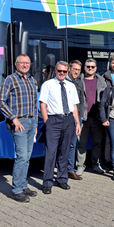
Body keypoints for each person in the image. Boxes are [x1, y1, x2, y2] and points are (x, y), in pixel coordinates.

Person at [0, 55, 38, 203]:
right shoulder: (10, 79)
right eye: (22, 63)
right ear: (16, 64)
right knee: (21, 157)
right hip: (19, 123)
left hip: (31, 122)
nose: (25, 65)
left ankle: (23, 185)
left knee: (27, 157)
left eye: (27, 63)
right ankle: (16, 190)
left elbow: (35, 104)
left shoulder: (32, 80)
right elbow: (0, 101)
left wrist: (36, 123)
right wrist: (13, 118)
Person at [39, 61, 81, 194]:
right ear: (55, 71)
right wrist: (47, 122)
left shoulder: (71, 86)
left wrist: (77, 122)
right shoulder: (48, 84)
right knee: (51, 152)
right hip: (54, 120)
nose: (61, 73)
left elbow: (74, 105)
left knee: (65, 151)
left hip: (68, 120)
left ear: (68, 71)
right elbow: (42, 104)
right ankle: (47, 182)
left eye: (64, 71)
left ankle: (62, 179)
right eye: (59, 71)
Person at [76, 59, 107, 177]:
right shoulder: (79, 81)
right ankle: (80, 166)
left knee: (97, 143)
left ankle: (96, 165)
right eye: (88, 66)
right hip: (82, 117)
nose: (90, 68)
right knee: (81, 143)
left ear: (96, 68)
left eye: (92, 67)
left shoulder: (102, 81)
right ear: (84, 67)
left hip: (97, 117)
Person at [65, 60, 85, 180]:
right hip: (64, 118)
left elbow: (81, 101)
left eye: (78, 70)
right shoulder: (63, 81)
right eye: (74, 69)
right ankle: (60, 168)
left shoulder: (80, 82)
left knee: (73, 144)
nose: (76, 72)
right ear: (69, 69)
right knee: (62, 145)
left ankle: (70, 170)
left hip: (76, 118)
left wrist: (80, 117)